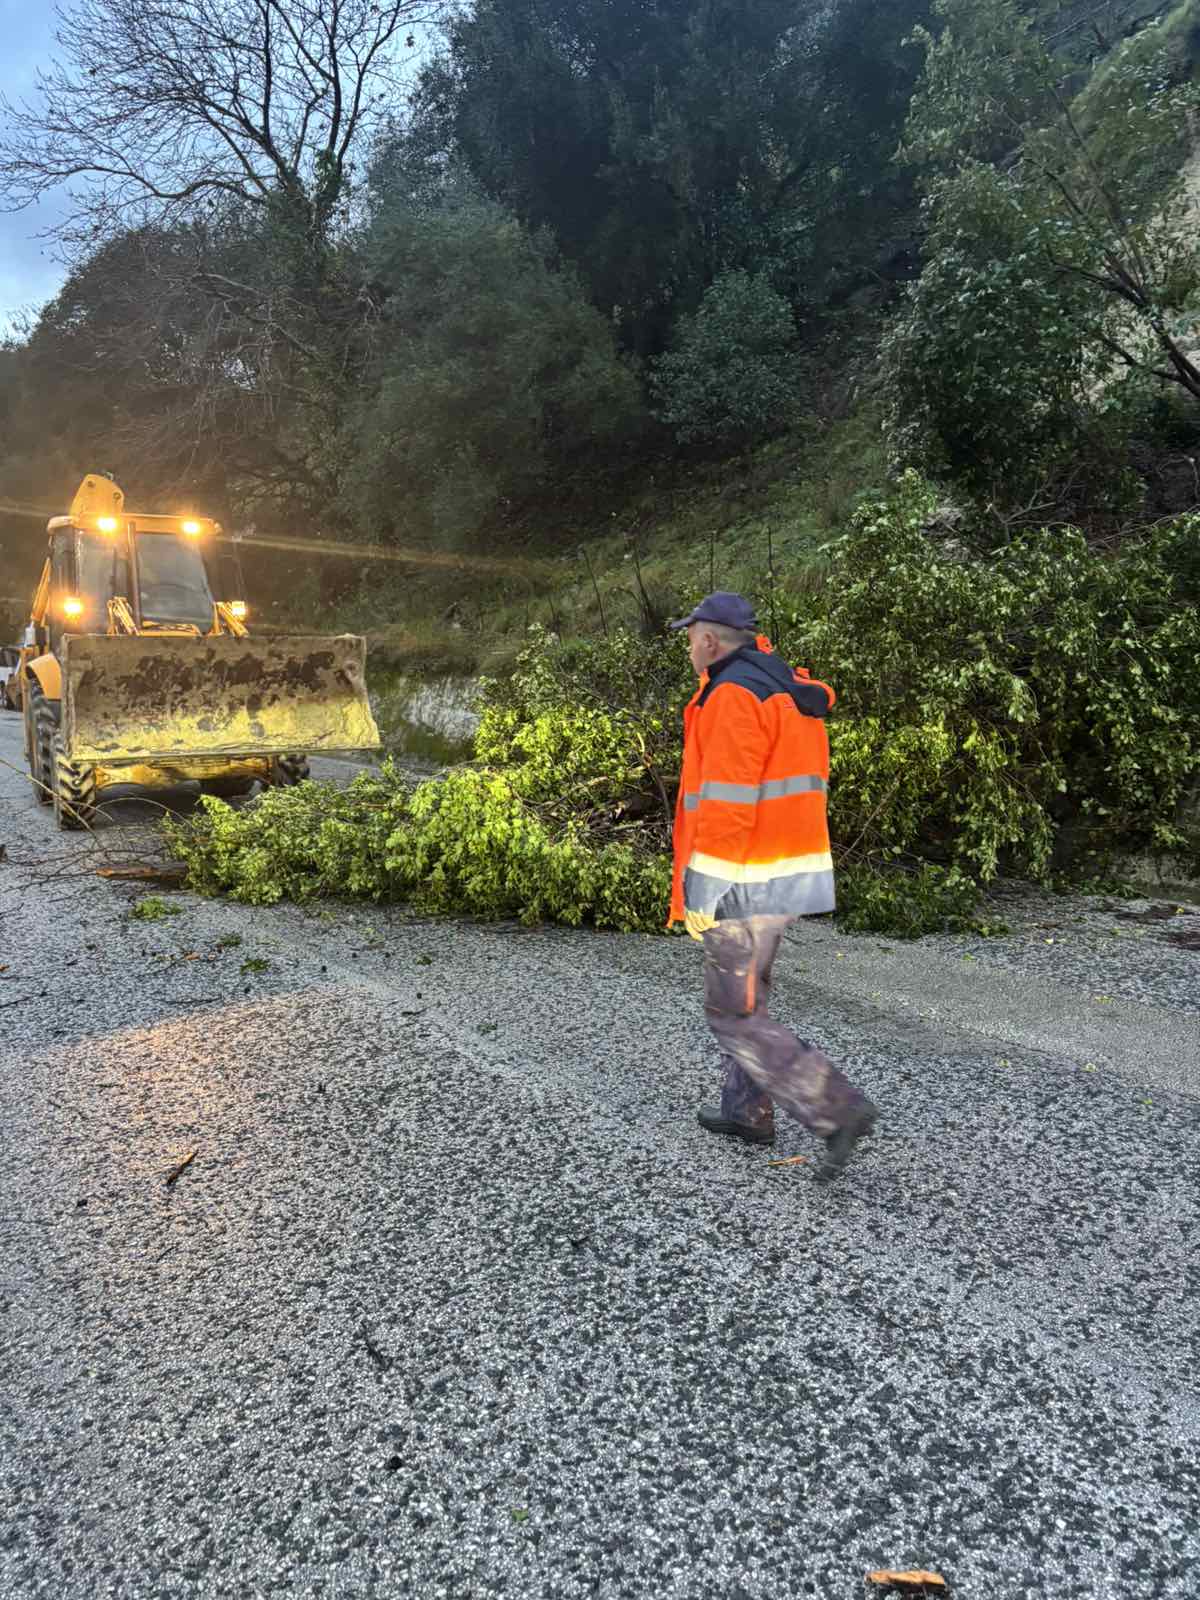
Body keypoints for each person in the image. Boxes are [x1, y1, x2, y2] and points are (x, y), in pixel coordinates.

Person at [667, 591, 878, 1181]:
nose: (688, 647)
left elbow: (728, 804)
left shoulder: (733, 696)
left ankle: (836, 1108)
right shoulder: (783, 686)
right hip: (789, 867)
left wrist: (704, 891)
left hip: (745, 875)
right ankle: (746, 1110)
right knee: (749, 992)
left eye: (691, 637)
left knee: (733, 1013)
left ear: (710, 641)